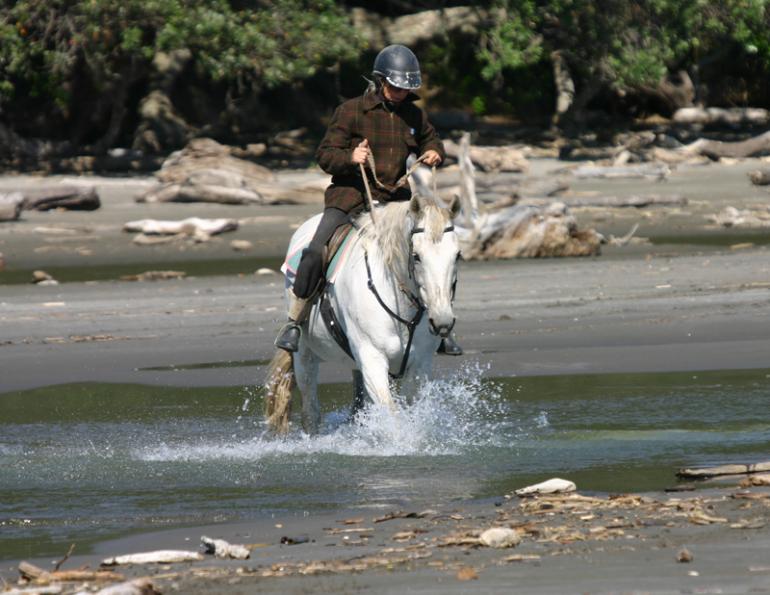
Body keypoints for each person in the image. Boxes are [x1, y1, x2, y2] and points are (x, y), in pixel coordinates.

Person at [274, 44, 462, 356]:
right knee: (315, 250)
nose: (401, 93)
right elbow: (324, 156)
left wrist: (435, 152)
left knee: (434, 253)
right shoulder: (350, 111)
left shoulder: (413, 114)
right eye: (396, 87)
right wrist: (350, 156)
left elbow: (432, 139)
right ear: (381, 81)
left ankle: (439, 327)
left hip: (396, 204)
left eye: (406, 88)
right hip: (349, 199)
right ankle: (296, 321)